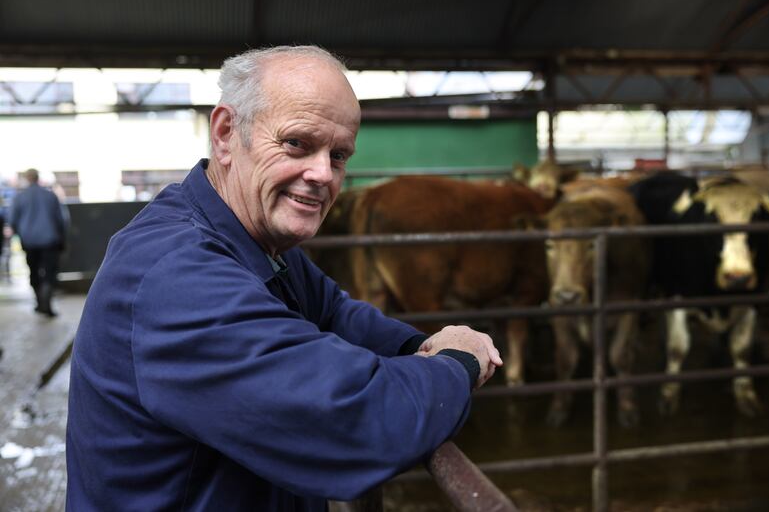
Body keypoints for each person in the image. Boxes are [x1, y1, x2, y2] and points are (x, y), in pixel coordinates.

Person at [66, 45, 503, 511]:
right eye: (297, 143)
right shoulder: (177, 276)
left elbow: (333, 311)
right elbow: (356, 421)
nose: (322, 174)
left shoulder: (251, 240)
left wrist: (414, 347)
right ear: (226, 134)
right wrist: (458, 363)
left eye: (338, 155)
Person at [9, 168, 67, 316]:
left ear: (27, 179)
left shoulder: (19, 198)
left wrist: (20, 234)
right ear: (37, 178)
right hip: (50, 240)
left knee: (33, 271)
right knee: (50, 272)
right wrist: (62, 237)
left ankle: (40, 302)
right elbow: (62, 219)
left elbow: (12, 220)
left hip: (29, 242)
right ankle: (46, 302)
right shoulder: (50, 196)